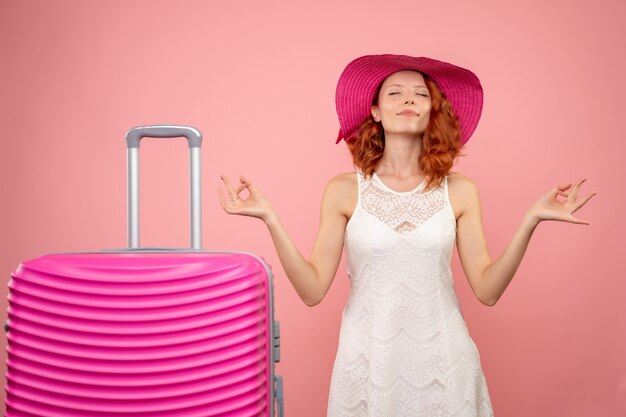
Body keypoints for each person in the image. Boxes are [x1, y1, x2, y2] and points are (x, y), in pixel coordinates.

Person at [217, 54, 596, 416]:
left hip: (443, 363)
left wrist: (531, 219)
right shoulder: (344, 190)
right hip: (368, 363)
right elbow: (312, 290)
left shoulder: (459, 190)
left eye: (420, 93)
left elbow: (488, 290)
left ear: (433, 111)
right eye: (394, 92)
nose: (408, 100)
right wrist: (270, 218)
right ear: (376, 112)